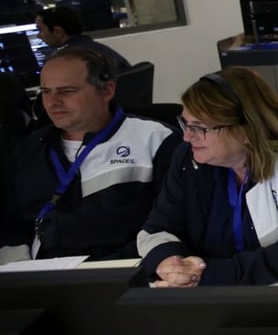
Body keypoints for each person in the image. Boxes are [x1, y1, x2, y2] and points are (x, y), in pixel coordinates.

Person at [137, 67, 278, 286]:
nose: (187, 137)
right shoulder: (187, 160)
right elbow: (158, 228)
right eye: (185, 123)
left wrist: (214, 275)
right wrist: (171, 264)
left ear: (246, 130)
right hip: (204, 291)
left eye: (199, 128)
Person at [0, 48, 178, 264]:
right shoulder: (29, 149)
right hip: (43, 276)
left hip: (125, 270)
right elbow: (11, 224)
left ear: (106, 91)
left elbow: (174, 223)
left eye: (67, 91)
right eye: (46, 91)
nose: (52, 102)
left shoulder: (156, 140)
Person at [36, 6, 131, 71]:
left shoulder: (62, 61)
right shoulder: (100, 49)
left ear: (57, 32)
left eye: (40, 30)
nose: (38, 35)